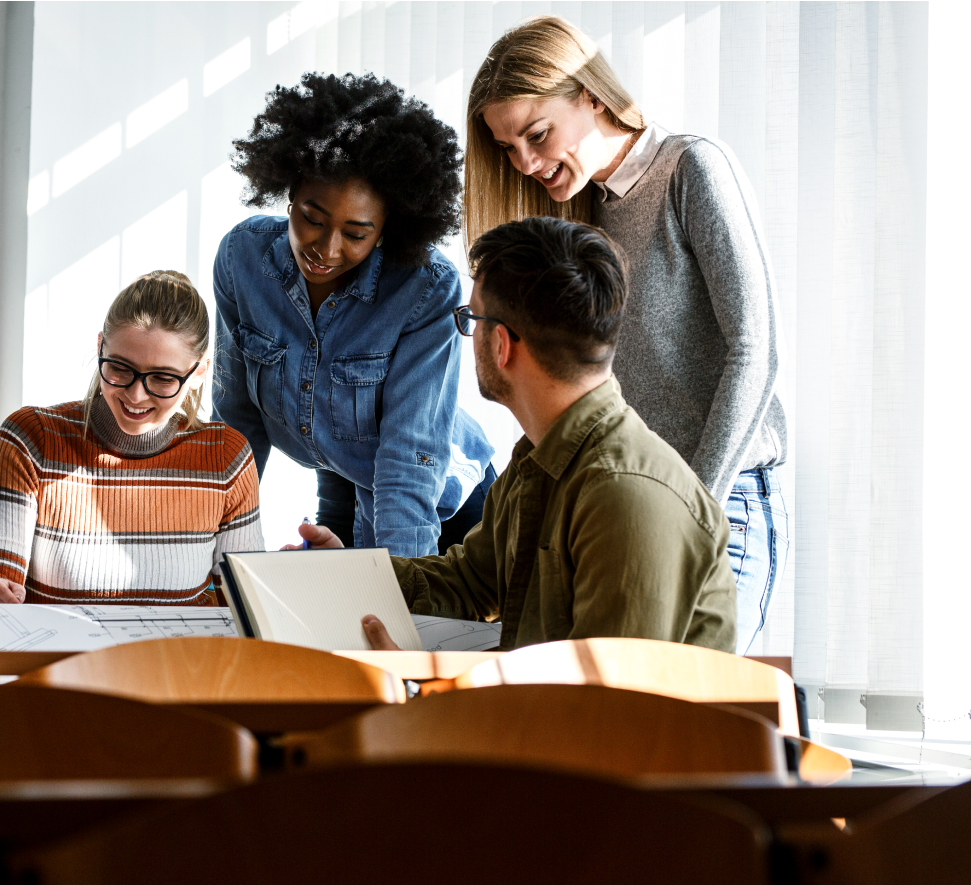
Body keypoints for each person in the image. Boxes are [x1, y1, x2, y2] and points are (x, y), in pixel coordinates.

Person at [461, 16, 786, 654]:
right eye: (507, 148)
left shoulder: (692, 169)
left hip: (721, 497)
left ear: (589, 94)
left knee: (667, 715)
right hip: (623, 505)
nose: (525, 162)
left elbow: (756, 351)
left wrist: (694, 506)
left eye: (537, 134)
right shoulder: (581, 210)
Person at [296, 217, 737, 654]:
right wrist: (350, 576)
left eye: (469, 319)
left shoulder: (625, 496)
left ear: (501, 344)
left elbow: (603, 711)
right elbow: (470, 583)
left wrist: (424, 692)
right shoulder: (539, 460)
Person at [213, 72, 495, 558]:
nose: (325, 248)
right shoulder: (244, 258)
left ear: (388, 228)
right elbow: (237, 423)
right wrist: (219, 549)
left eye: (356, 233)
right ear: (290, 192)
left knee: (394, 622)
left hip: (439, 511)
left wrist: (402, 594)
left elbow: (407, 461)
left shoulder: (426, 289)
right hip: (342, 481)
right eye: (312, 218)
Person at [0, 271, 261, 605]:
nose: (135, 395)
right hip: (60, 657)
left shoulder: (226, 458)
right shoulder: (31, 439)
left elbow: (245, 609)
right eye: (119, 368)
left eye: (163, 378)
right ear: (100, 346)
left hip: (180, 658)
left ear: (199, 372)